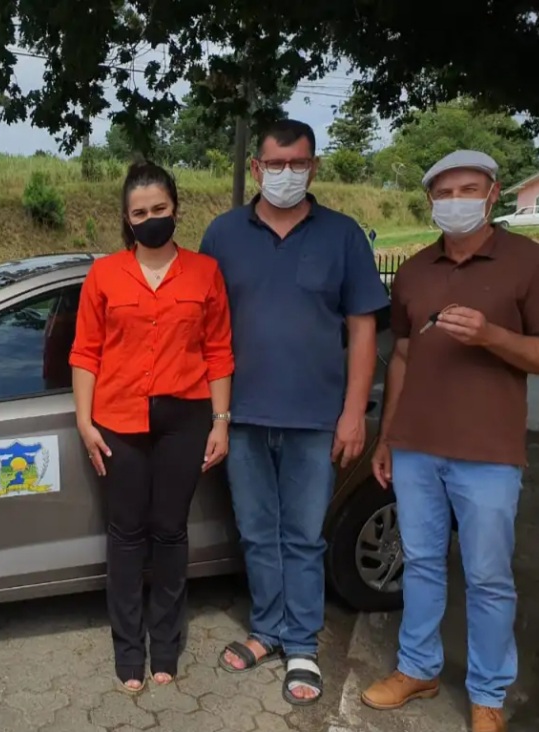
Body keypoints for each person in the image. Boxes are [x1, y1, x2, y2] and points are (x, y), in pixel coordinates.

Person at [198, 119, 389, 705]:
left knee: (304, 536)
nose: (286, 174)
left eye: (297, 164)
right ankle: (266, 631)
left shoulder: (343, 236)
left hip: (316, 420)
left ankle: (301, 643)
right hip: (244, 415)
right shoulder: (223, 234)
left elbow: (363, 332)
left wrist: (354, 412)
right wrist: (216, 415)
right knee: (257, 532)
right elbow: (205, 329)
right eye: (275, 164)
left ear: (314, 167)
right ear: (256, 168)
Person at [360, 151, 539, 732]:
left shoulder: (526, 262)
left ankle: (488, 693)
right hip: (416, 447)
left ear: (492, 195)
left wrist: (490, 336)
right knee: (422, 564)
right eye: (444, 192)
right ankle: (418, 668)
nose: (456, 201)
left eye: (469, 189)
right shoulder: (414, 270)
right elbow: (405, 356)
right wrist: (387, 437)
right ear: (431, 200)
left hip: (488, 452)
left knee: (488, 576)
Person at [69, 161, 235, 692]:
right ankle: (127, 651)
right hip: (118, 420)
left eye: (159, 209)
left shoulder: (205, 273)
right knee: (124, 536)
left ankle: (165, 645)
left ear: (175, 209)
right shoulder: (104, 275)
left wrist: (221, 421)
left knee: (169, 532)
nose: (151, 218)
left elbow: (219, 352)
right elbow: (85, 352)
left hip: (184, 420)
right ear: (127, 218)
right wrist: (84, 420)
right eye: (140, 212)